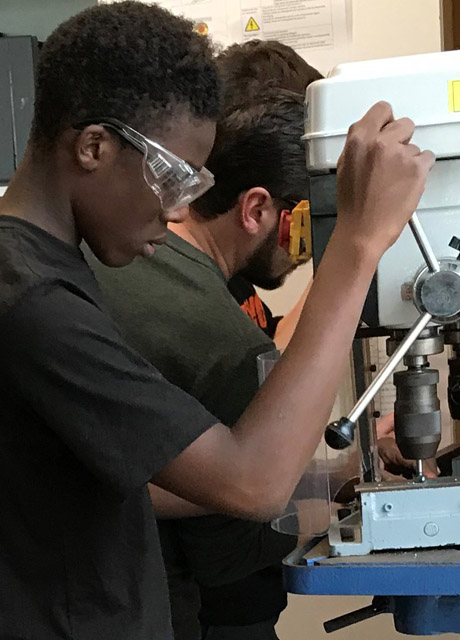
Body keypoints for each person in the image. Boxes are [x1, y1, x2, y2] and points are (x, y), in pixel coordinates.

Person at [0, 2, 435, 638]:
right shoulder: (33, 300)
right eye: (172, 178)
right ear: (93, 147)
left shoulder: (52, 269)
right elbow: (255, 484)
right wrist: (358, 243)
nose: (179, 212)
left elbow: (113, 481)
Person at [90, 87, 425, 640]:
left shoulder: (118, 260)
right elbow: (231, 547)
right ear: (257, 209)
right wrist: (336, 502)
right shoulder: (219, 340)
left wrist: (334, 474)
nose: (305, 252)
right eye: (309, 230)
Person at [216, 40, 323, 349]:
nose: (308, 250)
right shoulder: (196, 303)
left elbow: (270, 342)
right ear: (256, 210)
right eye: (303, 223)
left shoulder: (232, 275)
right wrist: (348, 259)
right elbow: (275, 375)